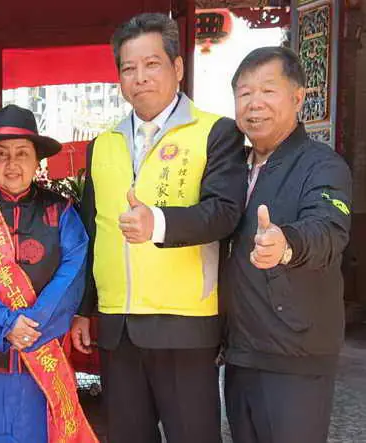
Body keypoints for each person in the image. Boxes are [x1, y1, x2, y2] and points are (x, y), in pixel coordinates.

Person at [69, 13, 246, 442]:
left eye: (152, 64)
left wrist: (159, 223)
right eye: (128, 68)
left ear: (177, 67)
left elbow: (225, 212)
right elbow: (94, 231)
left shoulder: (215, 132)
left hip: (183, 323)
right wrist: (85, 309)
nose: (140, 77)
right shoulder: (103, 145)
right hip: (118, 327)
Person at [0, 104, 97, 442]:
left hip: (42, 356)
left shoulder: (61, 211)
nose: (12, 164)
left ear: (37, 160)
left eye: (22, 153)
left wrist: (31, 324)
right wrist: (5, 323)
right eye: (2, 154)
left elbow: (73, 271)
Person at [222, 46, 352, 443]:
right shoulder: (231, 168)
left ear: (297, 98)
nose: (254, 103)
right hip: (241, 351)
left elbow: (328, 228)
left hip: (295, 353)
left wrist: (287, 244)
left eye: (268, 90)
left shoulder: (322, 164)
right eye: (244, 93)